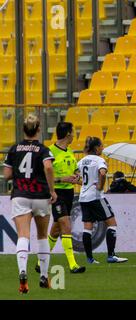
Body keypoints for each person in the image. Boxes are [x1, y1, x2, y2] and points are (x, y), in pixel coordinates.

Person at [3, 114, 57, 293]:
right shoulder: (43, 149)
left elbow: (7, 174)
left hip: (20, 195)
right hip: (41, 195)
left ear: (23, 129)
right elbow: (48, 167)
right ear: (39, 130)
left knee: (23, 235)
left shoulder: (14, 149)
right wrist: (52, 190)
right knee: (42, 236)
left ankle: (23, 272)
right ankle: (43, 276)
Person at [35, 122, 85, 274]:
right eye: (73, 132)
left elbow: (75, 170)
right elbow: (43, 176)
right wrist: (62, 179)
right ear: (68, 134)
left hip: (69, 194)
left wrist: (77, 176)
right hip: (56, 193)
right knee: (66, 225)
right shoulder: (49, 152)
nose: (74, 135)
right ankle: (72, 264)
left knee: (56, 229)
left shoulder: (69, 151)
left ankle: (40, 262)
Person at [77, 136, 128, 264]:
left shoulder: (82, 161)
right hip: (96, 197)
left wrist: (83, 184)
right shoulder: (100, 160)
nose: (103, 148)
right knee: (112, 223)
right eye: (101, 146)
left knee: (87, 227)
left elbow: (76, 176)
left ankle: (89, 258)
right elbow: (103, 173)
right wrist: (100, 186)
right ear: (96, 148)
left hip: (83, 197)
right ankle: (111, 255)